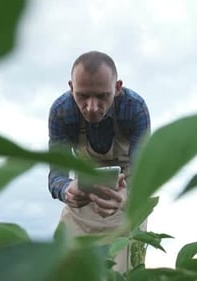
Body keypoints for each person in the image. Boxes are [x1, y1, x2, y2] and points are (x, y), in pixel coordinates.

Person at [47, 50, 151, 272]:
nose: (92, 107)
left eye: (102, 96)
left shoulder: (135, 109)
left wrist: (128, 197)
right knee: (61, 269)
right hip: (83, 200)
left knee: (124, 271)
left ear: (117, 88)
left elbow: (145, 173)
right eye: (83, 96)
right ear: (71, 87)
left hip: (126, 198)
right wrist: (66, 190)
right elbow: (56, 175)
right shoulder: (61, 113)